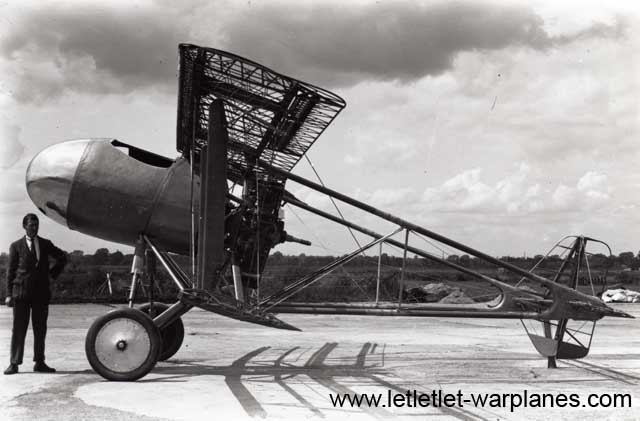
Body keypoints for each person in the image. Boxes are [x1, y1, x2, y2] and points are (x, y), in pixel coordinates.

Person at [4, 213, 66, 375]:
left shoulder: (45, 244)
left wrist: (52, 274)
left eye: (36, 225)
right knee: (18, 329)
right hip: (21, 293)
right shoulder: (16, 246)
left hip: (41, 294)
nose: (34, 228)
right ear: (24, 226)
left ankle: (40, 362)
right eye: (31, 225)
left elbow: (62, 257)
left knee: (40, 329)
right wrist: (9, 294)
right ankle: (14, 363)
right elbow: (10, 272)